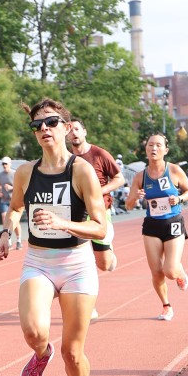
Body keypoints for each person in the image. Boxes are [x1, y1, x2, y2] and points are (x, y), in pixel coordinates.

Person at [0, 99, 107, 376]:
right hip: (39, 261)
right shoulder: (26, 172)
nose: (44, 128)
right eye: (37, 125)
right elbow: (16, 208)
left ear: (66, 127)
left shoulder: (81, 171)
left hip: (77, 264)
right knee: (33, 331)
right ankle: (42, 354)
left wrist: (63, 224)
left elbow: (100, 227)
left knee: (73, 352)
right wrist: (6, 233)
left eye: (51, 122)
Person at [125, 133, 188, 322]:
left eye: (158, 145)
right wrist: (135, 197)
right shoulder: (140, 176)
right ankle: (166, 306)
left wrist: (179, 198)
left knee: (169, 271)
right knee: (156, 271)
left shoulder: (174, 170)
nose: (153, 148)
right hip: (152, 225)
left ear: (166, 150)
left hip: (173, 223)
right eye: (150, 145)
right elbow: (128, 205)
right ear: (146, 149)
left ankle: (178, 270)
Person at [67, 118, 123, 280]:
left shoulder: (99, 154)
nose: (74, 133)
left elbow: (119, 179)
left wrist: (98, 192)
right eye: (70, 130)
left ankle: (108, 251)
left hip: (99, 210)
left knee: (104, 265)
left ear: (84, 132)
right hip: (76, 213)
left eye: (77, 129)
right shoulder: (66, 158)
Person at [0, 159, 21, 249]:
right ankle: (8, 239)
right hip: (4, 200)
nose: (4, 165)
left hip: (14, 200)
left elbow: (20, 187)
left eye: (6, 164)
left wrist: (11, 187)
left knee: (15, 221)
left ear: (10, 164)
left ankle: (18, 240)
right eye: (3, 164)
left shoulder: (15, 174)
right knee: (4, 218)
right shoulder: (0, 175)